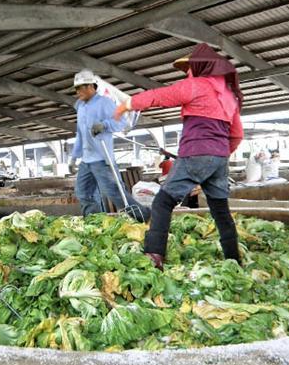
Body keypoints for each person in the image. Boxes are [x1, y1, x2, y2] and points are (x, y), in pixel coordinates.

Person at [114, 43, 244, 269]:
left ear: (201, 68)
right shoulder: (229, 97)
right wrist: (217, 157)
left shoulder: (196, 86)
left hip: (196, 151)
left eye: (190, 69)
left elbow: (160, 96)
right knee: (221, 210)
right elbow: (237, 135)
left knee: (163, 203)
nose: (188, 73)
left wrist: (128, 104)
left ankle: (154, 255)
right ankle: (234, 259)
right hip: (220, 157)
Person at [69, 69, 150, 222]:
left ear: (90, 86)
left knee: (115, 193)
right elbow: (80, 134)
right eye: (76, 89)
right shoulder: (80, 107)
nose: (77, 92)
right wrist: (73, 157)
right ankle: (95, 221)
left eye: (79, 88)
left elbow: (121, 122)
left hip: (102, 158)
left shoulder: (104, 103)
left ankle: (144, 216)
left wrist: (104, 125)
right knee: (83, 193)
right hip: (86, 161)